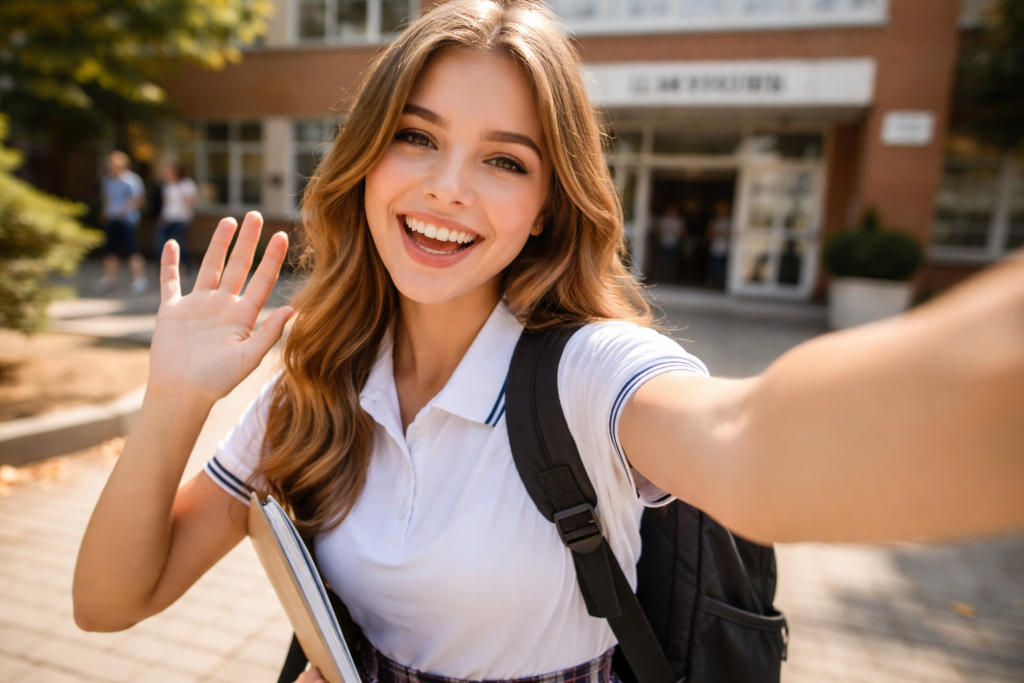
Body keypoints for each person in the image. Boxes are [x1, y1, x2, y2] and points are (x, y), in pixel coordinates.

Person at [73, 2, 1024, 682]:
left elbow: (754, 438)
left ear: (544, 208)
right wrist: (174, 401)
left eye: (503, 160)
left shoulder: (588, 370)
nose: (449, 186)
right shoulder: (317, 380)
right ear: (365, 162)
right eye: (415, 136)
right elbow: (112, 602)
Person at [96, 150, 148, 294]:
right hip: (111, 218)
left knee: (132, 250)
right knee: (110, 250)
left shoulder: (132, 180)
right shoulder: (107, 180)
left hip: (127, 220)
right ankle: (109, 279)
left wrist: (123, 209)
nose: (113, 166)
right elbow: (105, 197)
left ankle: (139, 280)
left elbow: (138, 199)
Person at [155, 161, 198, 275]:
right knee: (162, 246)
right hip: (167, 219)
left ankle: (183, 271)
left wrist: (185, 195)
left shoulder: (187, 184)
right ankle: (166, 272)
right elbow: (167, 204)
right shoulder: (167, 185)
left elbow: (192, 203)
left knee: (180, 246)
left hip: (181, 219)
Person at [652, 203, 685, 283]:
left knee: (671, 261)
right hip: (663, 243)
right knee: (662, 261)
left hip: (673, 244)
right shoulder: (664, 219)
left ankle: (669, 277)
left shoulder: (678, 220)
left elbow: (681, 233)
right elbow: (658, 230)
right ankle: (661, 276)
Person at [705, 200, 731, 289]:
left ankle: (720, 284)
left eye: (725, 208)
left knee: (723, 268)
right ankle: (712, 283)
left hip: (725, 248)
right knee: (713, 267)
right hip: (715, 247)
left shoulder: (730, 221)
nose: (723, 210)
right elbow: (708, 234)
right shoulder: (714, 220)